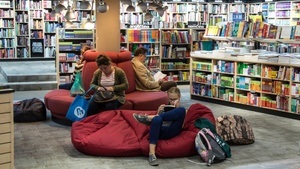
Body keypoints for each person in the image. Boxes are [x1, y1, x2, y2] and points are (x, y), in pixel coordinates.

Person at [133, 87, 186, 166]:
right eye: (170, 99)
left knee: (181, 110)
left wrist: (177, 109)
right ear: (168, 97)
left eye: (175, 99)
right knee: (157, 119)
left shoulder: (183, 110)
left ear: (179, 97)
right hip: (160, 131)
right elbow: (157, 124)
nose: (172, 102)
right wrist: (159, 112)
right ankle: (152, 155)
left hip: (172, 130)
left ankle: (148, 118)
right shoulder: (165, 107)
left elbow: (182, 126)